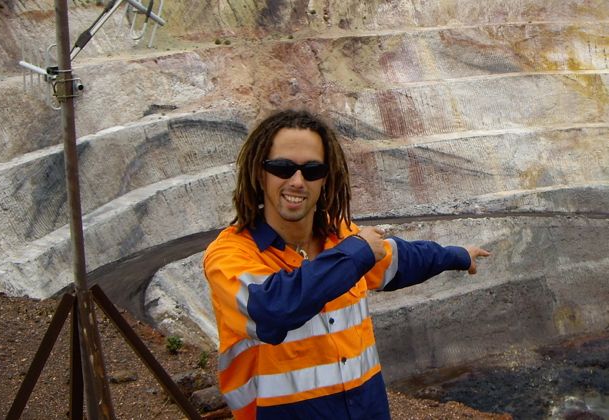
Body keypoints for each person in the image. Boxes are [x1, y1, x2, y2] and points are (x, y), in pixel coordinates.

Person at [202, 109, 490, 419]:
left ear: (326, 178)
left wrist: (458, 255)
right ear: (260, 174)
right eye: (283, 168)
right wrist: (356, 254)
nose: (297, 181)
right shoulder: (229, 256)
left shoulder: (343, 239)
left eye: (312, 170)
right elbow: (272, 310)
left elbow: (401, 260)